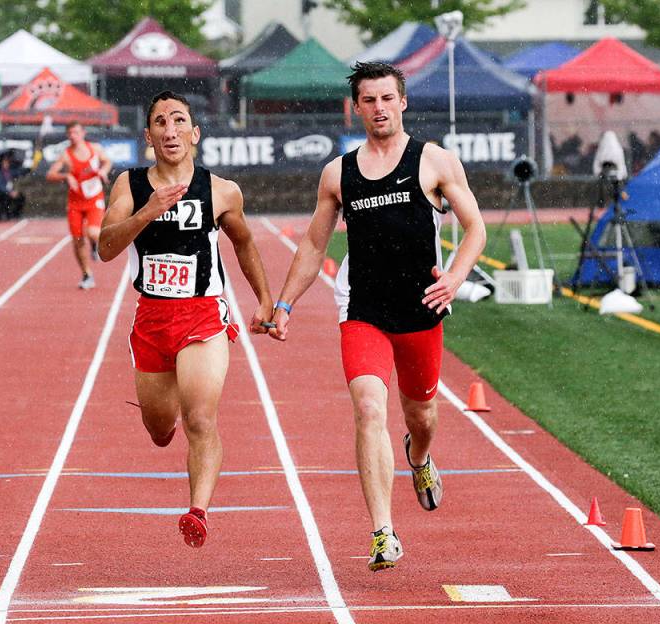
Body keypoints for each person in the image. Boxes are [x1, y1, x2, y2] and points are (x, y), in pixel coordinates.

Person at [267, 62, 486, 571]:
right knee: (368, 408)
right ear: (357, 107)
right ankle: (383, 531)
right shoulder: (337, 173)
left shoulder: (434, 162)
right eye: (369, 100)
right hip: (362, 308)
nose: (379, 108)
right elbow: (314, 243)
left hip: (420, 309)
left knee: (421, 417)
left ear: (402, 102)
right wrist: (284, 304)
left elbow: (474, 228)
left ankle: (419, 457)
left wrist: (454, 278)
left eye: (388, 98)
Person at [98, 90, 274, 548]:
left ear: (195, 134)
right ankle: (164, 420)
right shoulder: (129, 185)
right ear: (149, 135)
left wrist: (265, 300)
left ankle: (198, 510)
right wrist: (149, 211)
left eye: (179, 121)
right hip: (152, 319)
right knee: (160, 431)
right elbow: (106, 248)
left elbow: (244, 244)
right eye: (160, 122)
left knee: (201, 419)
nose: (170, 129)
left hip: (203, 315)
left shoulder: (222, 190)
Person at [46, 121, 112, 289]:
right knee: (77, 240)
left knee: (93, 232)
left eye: (76, 132)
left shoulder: (95, 149)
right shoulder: (66, 155)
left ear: (83, 133)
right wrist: (66, 176)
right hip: (75, 202)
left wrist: (103, 171)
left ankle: (95, 245)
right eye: (70, 133)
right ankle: (86, 274)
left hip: (94, 199)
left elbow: (107, 161)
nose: (73, 136)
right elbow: (50, 174)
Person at [0, 151, 28, 221]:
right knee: (4, 200)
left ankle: (14, 215)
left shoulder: (10, 171)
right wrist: (9, 192)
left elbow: (20, 172)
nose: (6, 164)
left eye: (7, 162)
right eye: (5, 162)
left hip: (7, 193)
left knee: (20, 197)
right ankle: (2, 214)